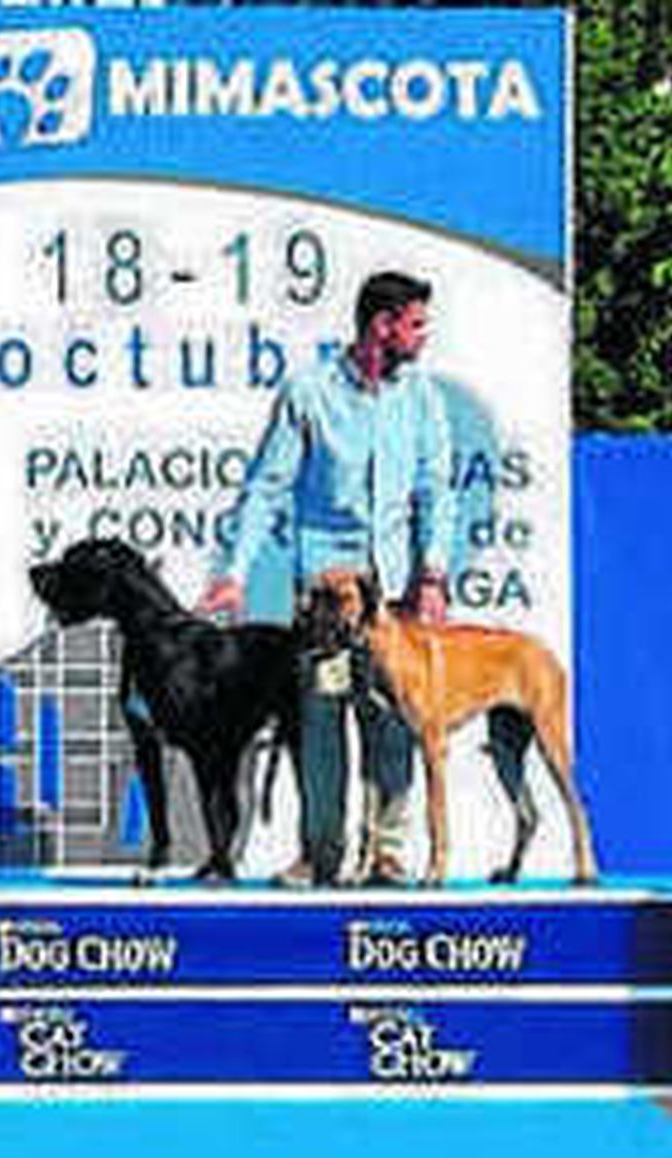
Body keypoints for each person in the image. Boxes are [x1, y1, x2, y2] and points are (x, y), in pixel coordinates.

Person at [200, 271, 455, 885]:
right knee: (321, 718)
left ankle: (387, 850)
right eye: (415, 324)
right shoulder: (308, 392)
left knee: (394, 720)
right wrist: (232, 571)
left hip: (390, 596)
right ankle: (321, 853)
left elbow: (435, 491)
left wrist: (433, 572)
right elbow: (266, 487)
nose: (424, 335)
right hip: (325, 601)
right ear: (382, 325)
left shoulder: (421, 397)